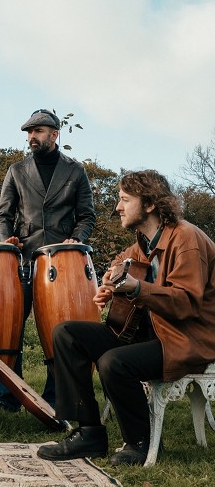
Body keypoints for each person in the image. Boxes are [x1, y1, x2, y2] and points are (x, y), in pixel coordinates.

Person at [37, 170, 215, 465]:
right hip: (152, 334)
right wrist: (110, 287)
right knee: (67, 333)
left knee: (114, 362)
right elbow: (123, 265)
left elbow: (186, 303)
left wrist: (135, 287)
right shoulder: (142, 243)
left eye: (124, 199)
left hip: (187, 339)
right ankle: (89, 433)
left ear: (150, 204)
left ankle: (139, 442)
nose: (118, 207)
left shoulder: (186, 238)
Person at [0, 108, 96, 410]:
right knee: (11, 329)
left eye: (37, 131)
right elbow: (3, 215)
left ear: (54, 134)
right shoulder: (16, 170)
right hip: (22, 262)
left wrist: (76, 239)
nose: (31, 137)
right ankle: (9, 396)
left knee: (58, 331)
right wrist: (7, 240)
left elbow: (87, 215)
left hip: (61, 263)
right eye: (29, 132)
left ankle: (55, 396)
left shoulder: (75, 171)